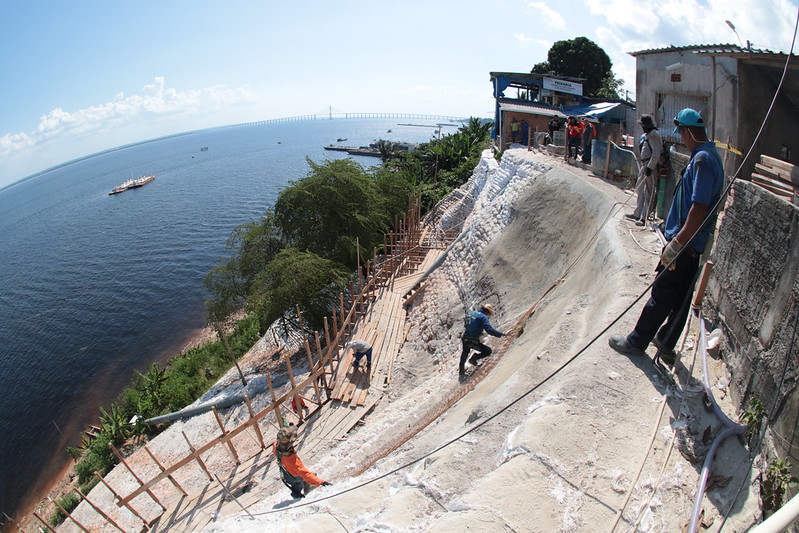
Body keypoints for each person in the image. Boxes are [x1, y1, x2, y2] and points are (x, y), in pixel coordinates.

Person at [610, 108, 723, 365]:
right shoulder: (710, 155)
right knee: (681, 298)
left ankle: (637, 341)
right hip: (695, 243)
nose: (681, 139)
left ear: (687, 131)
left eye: (681, 134)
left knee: (662, 292)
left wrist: (676, 243)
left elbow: (699, 208)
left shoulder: (703, 160)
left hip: (686, 242)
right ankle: (665, 341)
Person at [273, 424, 331, 499]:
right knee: (299, 482)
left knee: (299, 480)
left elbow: (276, 442)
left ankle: (305, 484)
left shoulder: (277, 446)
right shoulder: (292, 459)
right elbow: (304, 473)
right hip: (295, 476)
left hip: (286, 472)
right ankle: (297, 494)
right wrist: (321, 482)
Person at [625, 114, 663, 226]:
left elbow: (656, 153)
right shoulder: (648, 135)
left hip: (649, 166)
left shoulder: (654, 135)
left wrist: (650, 167)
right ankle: (637, 213)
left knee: (648, 192)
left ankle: (644, 217)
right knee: (640, 189)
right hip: (644, 164)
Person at [460, 303, 505, 376]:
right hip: (473, 340)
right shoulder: (483, 317)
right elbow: (489, 330)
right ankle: (474, 358)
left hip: (465, 337)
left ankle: (461, 374)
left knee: (464, 354)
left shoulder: (471, 314)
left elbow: (466, 324)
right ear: (487, 312)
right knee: (488, 351)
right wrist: (501, 334)